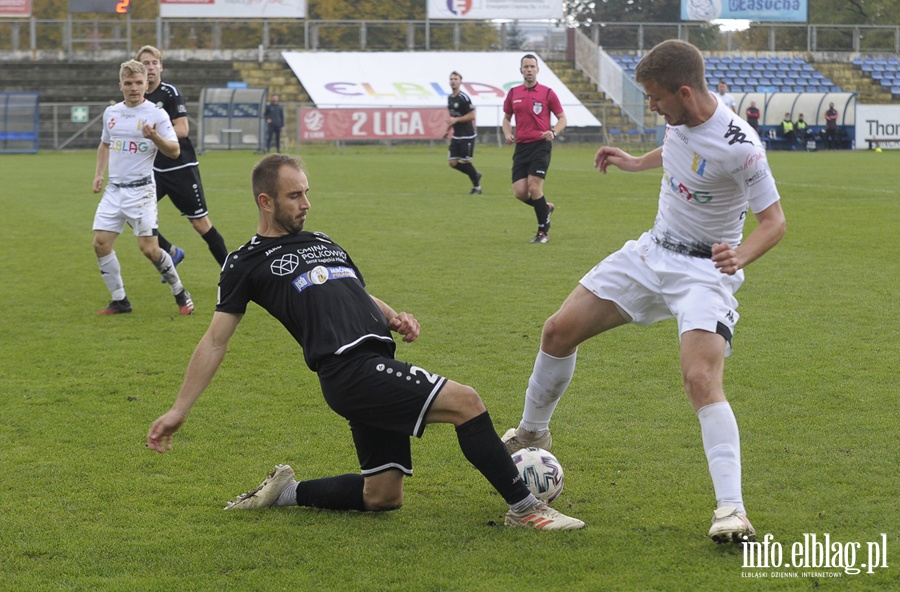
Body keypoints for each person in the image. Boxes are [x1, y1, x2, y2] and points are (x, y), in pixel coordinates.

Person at [146, 154, 585, 531]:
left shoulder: (321, 240)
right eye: (294, 195)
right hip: (349, 371)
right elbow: (215, 340)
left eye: (306, 192)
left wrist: (393, 316)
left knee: (382, 496)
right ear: (266, 201)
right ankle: (525, 509)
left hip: (373, 360)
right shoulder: (246, 262)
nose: (306, 203)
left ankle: (284, 493)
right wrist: (178, 410)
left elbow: (353, 291)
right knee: (466, 402)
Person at [501, 40, 786, 544]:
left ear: (683, 91)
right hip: (651, 253)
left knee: (700, 378)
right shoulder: (678, 120)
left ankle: (732, 511)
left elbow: (774, 222)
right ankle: (532, 432)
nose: (650, 107)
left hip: (704, 272)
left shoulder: (742, 146)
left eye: (655, 98)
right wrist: (635, 162)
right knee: (557, 330)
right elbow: (678, 149)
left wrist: (739, 256)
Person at [92, 60, 194, 316]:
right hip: (114, 190)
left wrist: (155, 137)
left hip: (141, 191)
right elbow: (105, 144)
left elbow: (174, 150)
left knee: (149, 249)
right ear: (121, 86)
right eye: (128, 83)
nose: (134, 88)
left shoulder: (156, 114)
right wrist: (99, 174)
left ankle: (179, 291)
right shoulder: (112, 113)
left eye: (139, 83)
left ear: (146, 84)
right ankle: (120, 300)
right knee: (100, 244)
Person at [136, 45, 229, 274]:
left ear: (161, 67)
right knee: (134, 212)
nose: (150, 68)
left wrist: (154, 135)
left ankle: (231, 272)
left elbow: (183, 129)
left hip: (180, 168)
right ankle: (171, 252)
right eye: (145, 63)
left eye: (154, 63)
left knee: (200, 224)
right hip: (153, 170)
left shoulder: (169, 93)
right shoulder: (137, 97)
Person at [502, 54, 567, 244]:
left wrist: (553, 132)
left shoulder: (547, 93)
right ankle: (545, 208)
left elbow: (562, 118)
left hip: (541, 145)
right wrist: (507, 133)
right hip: (521, 147)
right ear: (521, 70)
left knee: (534, 186)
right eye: (526, 67)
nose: (529, 70)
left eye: (532, 66)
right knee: (520, 192)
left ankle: (542, 233)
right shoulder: (514, 93)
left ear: (537, 70)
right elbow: (506, 118)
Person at [444, 71, 482, 195]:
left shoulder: (464, 97)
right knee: (452, 162)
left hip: (467, 135)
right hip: (456, 135)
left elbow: (472, 115)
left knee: (466, 161)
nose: (453, 81)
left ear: (460, 81)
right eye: (451, 79)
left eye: (455, 79)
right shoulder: (450, 98)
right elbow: (452, 116)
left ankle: (477, 187)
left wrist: (456, 120)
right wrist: (447, 130)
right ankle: (475, 174)